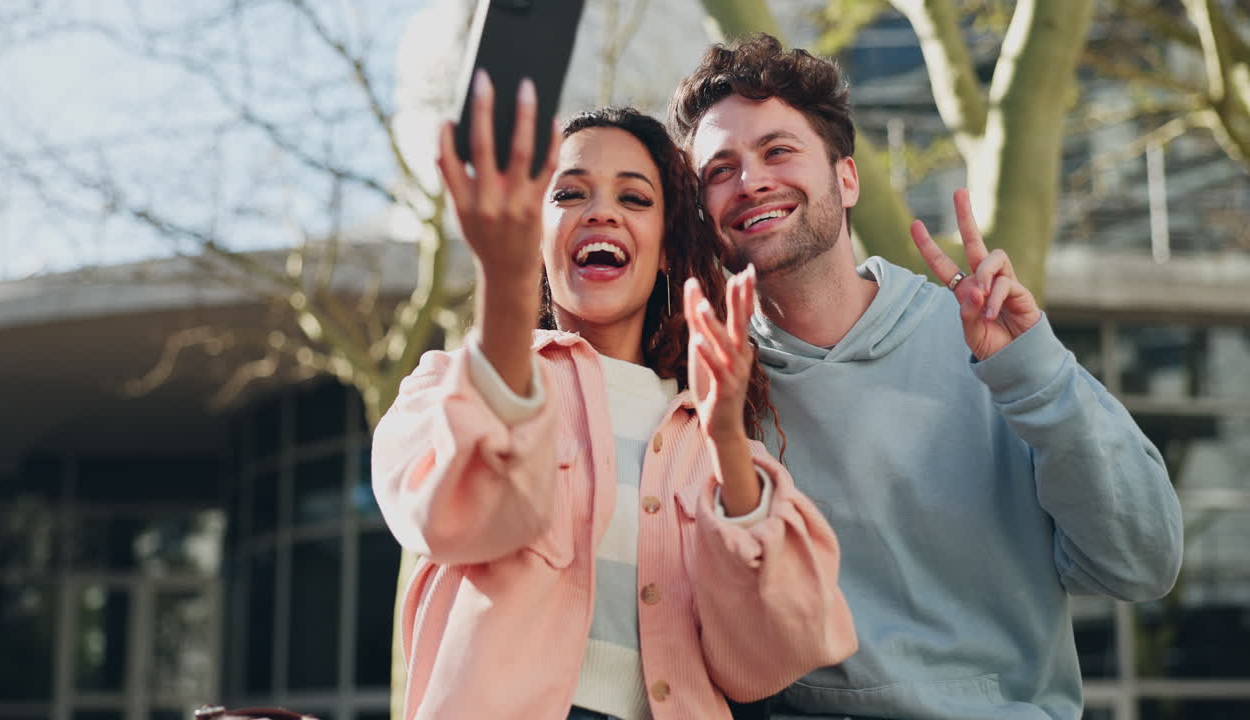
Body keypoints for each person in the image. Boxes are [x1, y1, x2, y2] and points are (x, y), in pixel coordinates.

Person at [666, 34, 1184, 720]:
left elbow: (1142, 563)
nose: (751, 180)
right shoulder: (708, 385)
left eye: (777, 151)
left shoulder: (985, 341)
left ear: (846, 179)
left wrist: (1037, 377)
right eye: (720, 170)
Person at [370, 70, 857, 720]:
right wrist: (504, 286)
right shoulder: (452, 387)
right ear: (537, 241)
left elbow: (769, 658)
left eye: (635, 198)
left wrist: (727, 443)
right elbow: (458, 516)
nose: (601, 212)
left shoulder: (706, 424)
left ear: (663, 249)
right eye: (569, 193)